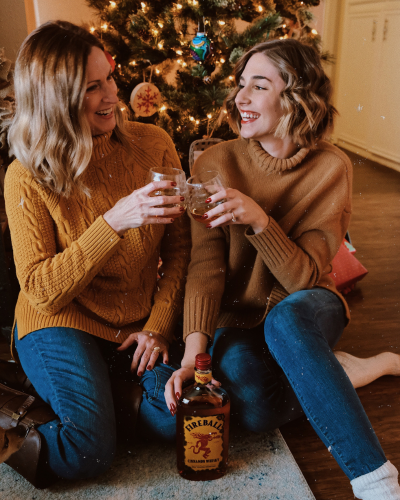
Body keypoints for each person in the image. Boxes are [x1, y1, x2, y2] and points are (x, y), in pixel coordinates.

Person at [165, 39, 400, 500]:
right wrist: (196, 350)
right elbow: (206, 267)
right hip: (240, 315)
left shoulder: (331, 167)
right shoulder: (215, 162)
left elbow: (304, 278)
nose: (240, 98)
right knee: (251, 410)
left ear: (294, 97)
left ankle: (376, 479)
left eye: (259, 85)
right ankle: (336, 372)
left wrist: (258, 220)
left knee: (287, 318)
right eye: (240, 85)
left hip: (307, 303)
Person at [3, 20, 189, 482]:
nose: (112, 95)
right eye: (92, 87)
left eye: (110, 77)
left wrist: (159, 328)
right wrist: (113, 222)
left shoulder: (155, 144)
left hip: (133, 325)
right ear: (55, 99)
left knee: (180, 420)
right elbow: (42, 290)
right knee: (89, 453)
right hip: (59, 319)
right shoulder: (26, 175)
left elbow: (182, 250)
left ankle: (95, 400)